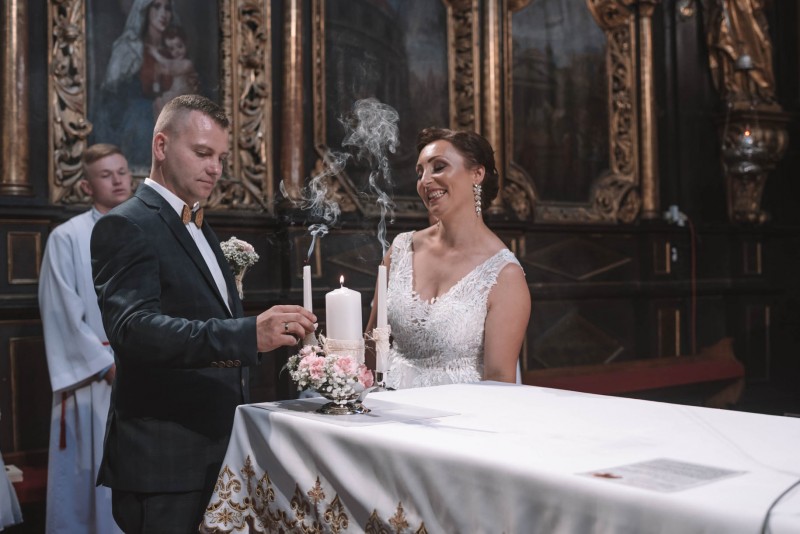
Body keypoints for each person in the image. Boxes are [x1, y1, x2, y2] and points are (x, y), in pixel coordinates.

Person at [91, 94, 317, 533]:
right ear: (161, 146)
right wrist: (247, 334)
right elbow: (133, 331)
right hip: (164, 462)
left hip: (217, 450)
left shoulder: (199, 225)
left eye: (220, 157)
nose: (215, 168)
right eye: (202, 153)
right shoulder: (127, 223)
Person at [367, 127, 530, 389]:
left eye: (439, 167)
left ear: (477, 174)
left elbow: (500, 382)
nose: (425, 181)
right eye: (420, 173)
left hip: (459, 411)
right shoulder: (400, 250)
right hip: (387, 405)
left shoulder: (504, 275)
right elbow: (371, 346)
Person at [38, 143, 133, 534]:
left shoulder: (147, 230)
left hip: (145, 369)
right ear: (86, 186)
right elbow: (60, 310)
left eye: (122, 172)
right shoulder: (67, 237)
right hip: (94, 376)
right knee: (89, 480)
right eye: (106, 175)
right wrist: (107, 367)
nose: (118, 181)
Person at [95, 0, 179, 168]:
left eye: (167, 8)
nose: (163, 14)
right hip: (135, 124)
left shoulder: (175, 48)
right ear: (145, 10)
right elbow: (110, 97)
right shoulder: (129, 48)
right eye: (157, 7)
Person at [151, 25, 201, 117]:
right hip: (173, 95)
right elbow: (158, 73)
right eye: (172, 49)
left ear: (186, 44)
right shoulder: (173, 64)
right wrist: (156, 90)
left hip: (186, 97)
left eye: (179, 46)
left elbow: (172, 67)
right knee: (158, 104)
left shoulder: (187, 64)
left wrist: (157, 55)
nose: (177, 51)